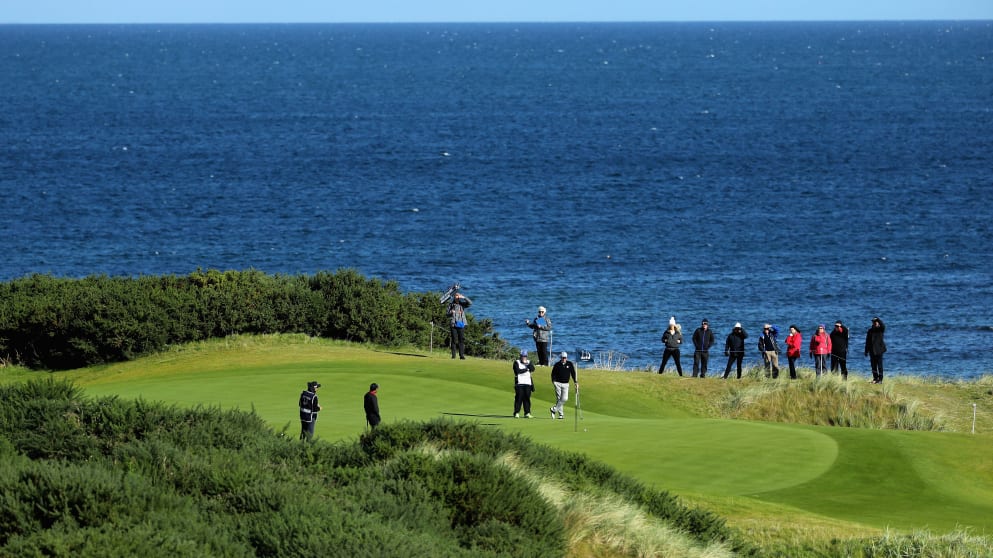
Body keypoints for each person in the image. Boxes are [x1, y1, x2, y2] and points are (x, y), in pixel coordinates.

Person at [550, 351, 578, 419]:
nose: (564, 359)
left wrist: (576, 382)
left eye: (565, 358)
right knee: (559, 399)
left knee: (565, 399)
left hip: (566, 384)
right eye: (563, 358)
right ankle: (561, 414)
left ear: (566, 358)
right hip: (558, 383)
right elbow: (553, 373)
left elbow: (573, 373)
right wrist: (553, 381)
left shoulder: (570, 364)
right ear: (561, 357)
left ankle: (553, 409)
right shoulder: (557, 364)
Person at [447, 290, 472, 360]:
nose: (457, 298)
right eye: (456, 296)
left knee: (461, 340)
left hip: (461, 324)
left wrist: (463, 297)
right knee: (454, 340)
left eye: (458, 296)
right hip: (453, 324)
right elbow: (447, 315)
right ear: (454, 297)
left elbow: (470, 303)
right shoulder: (451, 305)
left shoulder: (462, 304)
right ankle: (453, 355)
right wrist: (451, 312)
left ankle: (461, 355)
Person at [513, 350, 535, 418]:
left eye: (525, 356)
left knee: (527, 399)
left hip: (528, 383)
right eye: (523, 356)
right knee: (519, 398)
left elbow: (533, 369)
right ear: (520, 356)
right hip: (519, 383)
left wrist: (527, 366)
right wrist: (526, 369)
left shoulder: (529, 362)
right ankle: (516, 412)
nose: (524, 357)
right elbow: (518, 371)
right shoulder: (517, 362)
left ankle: (527, 413)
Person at [865, 316, 887, 384]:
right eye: (873, 322)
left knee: (880, 365)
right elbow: (867, 341)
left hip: (879, 350)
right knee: (873, 366)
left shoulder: (880, 329)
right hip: (872, 351)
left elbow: (883, 326)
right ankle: (875, 378)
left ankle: (880, 380)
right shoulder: (870, 331)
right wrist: (866, 350)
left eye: (876, 322)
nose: (874, 323)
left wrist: (878, 319)